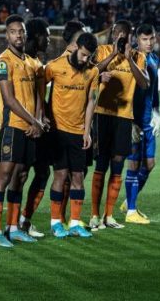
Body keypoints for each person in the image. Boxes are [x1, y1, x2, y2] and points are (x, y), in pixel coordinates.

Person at [0, 15, 46, 247]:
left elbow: (38, 97)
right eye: (13, 32)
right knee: (3, 177)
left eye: (21, 31)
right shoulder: (4, 61)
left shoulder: (32, 63)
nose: (18, 35)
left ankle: (13, 228)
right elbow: (9, 99)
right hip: (12, 127)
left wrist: (38, 121)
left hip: (30, 129)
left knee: (21, 177)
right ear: (7, 35)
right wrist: (35, 121)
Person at [90, 20, 149, 230]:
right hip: (102, 114)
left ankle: (109, 216)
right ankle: (94, 216)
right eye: (118, 33)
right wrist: (114, 54)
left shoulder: (138, 56)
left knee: (117, 166)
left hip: (124, 117)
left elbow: (143, 83)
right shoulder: (102, 50)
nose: (121, 37)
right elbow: (91, 73)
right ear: (112, 34)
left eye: (125, 34)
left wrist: (128, 58)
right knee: (101, 164)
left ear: (131, 36)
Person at [45, 33, 99, 238]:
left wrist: (87, 131)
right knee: (59, 175)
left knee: (78, 177)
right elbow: (40, 88)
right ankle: (55, 222)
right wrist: (43, 116)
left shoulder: (92, 71)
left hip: (78, 132)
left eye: (89, 56)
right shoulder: (55, 66)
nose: (85, 59)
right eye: (84, 54)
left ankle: (75, 222)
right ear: (76, 47)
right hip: (58, 132)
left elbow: (91, 102)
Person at [121, 24, 160, 225]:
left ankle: (130, 200)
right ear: (137, 40)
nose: (149, 42)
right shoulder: (135, 59)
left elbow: (154, 90)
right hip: (135, 121)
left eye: (151, 38)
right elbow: (129, 92)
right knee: (134, 164)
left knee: (150, 164)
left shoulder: (154, 59)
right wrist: (131, 122)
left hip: (147, 120)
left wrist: (157, 112)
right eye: (145, 39)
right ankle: (130, 211)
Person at [19, 18, 52, 237]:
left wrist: (43, 119)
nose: (48, 40)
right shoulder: (18, 60)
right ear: (37, 36)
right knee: (18, 175)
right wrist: (34, 121)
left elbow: (40, 97)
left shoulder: (37, 63)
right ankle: (13, 224)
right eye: (46, 36)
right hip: (22, 127)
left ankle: (24, 220)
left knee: (42, 172)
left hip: (38, 126)